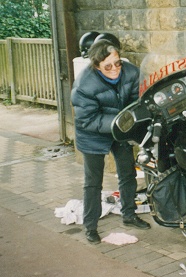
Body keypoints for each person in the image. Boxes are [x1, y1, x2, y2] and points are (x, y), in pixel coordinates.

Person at [71, 39, 150, 244]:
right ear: (96, 66)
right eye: (108, 66)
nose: (115, 69)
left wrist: (132, 122)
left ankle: (129, 215)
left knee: (127, 173)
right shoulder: (83, 84)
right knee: (93, 183)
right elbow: (87, 119)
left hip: (120, 129)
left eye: (117, 63)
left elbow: (137, 101)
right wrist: (120, 122)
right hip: (92, 134)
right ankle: (90, 226)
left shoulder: (131, 73)